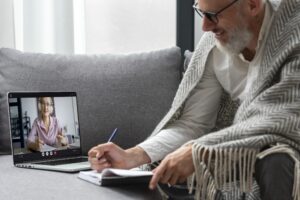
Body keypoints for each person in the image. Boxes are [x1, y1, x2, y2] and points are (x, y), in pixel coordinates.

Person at [88, 0, 300, 199]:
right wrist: (132, 156)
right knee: (163, 169)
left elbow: (283, 117)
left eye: (213, 15)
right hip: (237, 150)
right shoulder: (214, 45)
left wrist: (201, 151)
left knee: (277, 159)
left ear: (252, 5)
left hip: (287, 150)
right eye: (200, 11)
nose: (205, 27)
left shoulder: (294, 30)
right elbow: (192, 124)